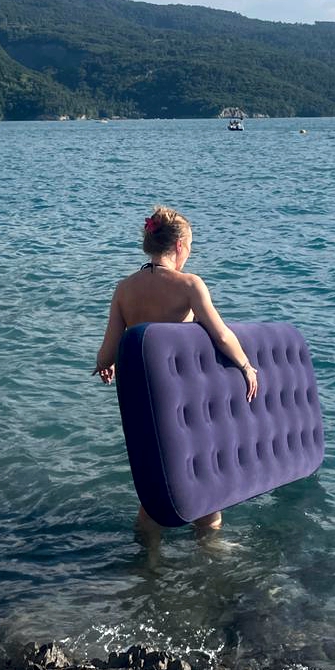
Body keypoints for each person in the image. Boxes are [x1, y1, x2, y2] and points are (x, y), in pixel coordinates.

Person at [93, 205, 258, 537]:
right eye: (190, 246)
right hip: (182, 398)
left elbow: (107, 353)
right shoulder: (189, 285)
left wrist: (105, 365)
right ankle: (209, 552)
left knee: (157, 477)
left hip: (143, 399)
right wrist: (246, 366)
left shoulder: (124, 289)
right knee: (203, 475)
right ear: (180, 245)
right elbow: (222, 336)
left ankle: (148, 556)